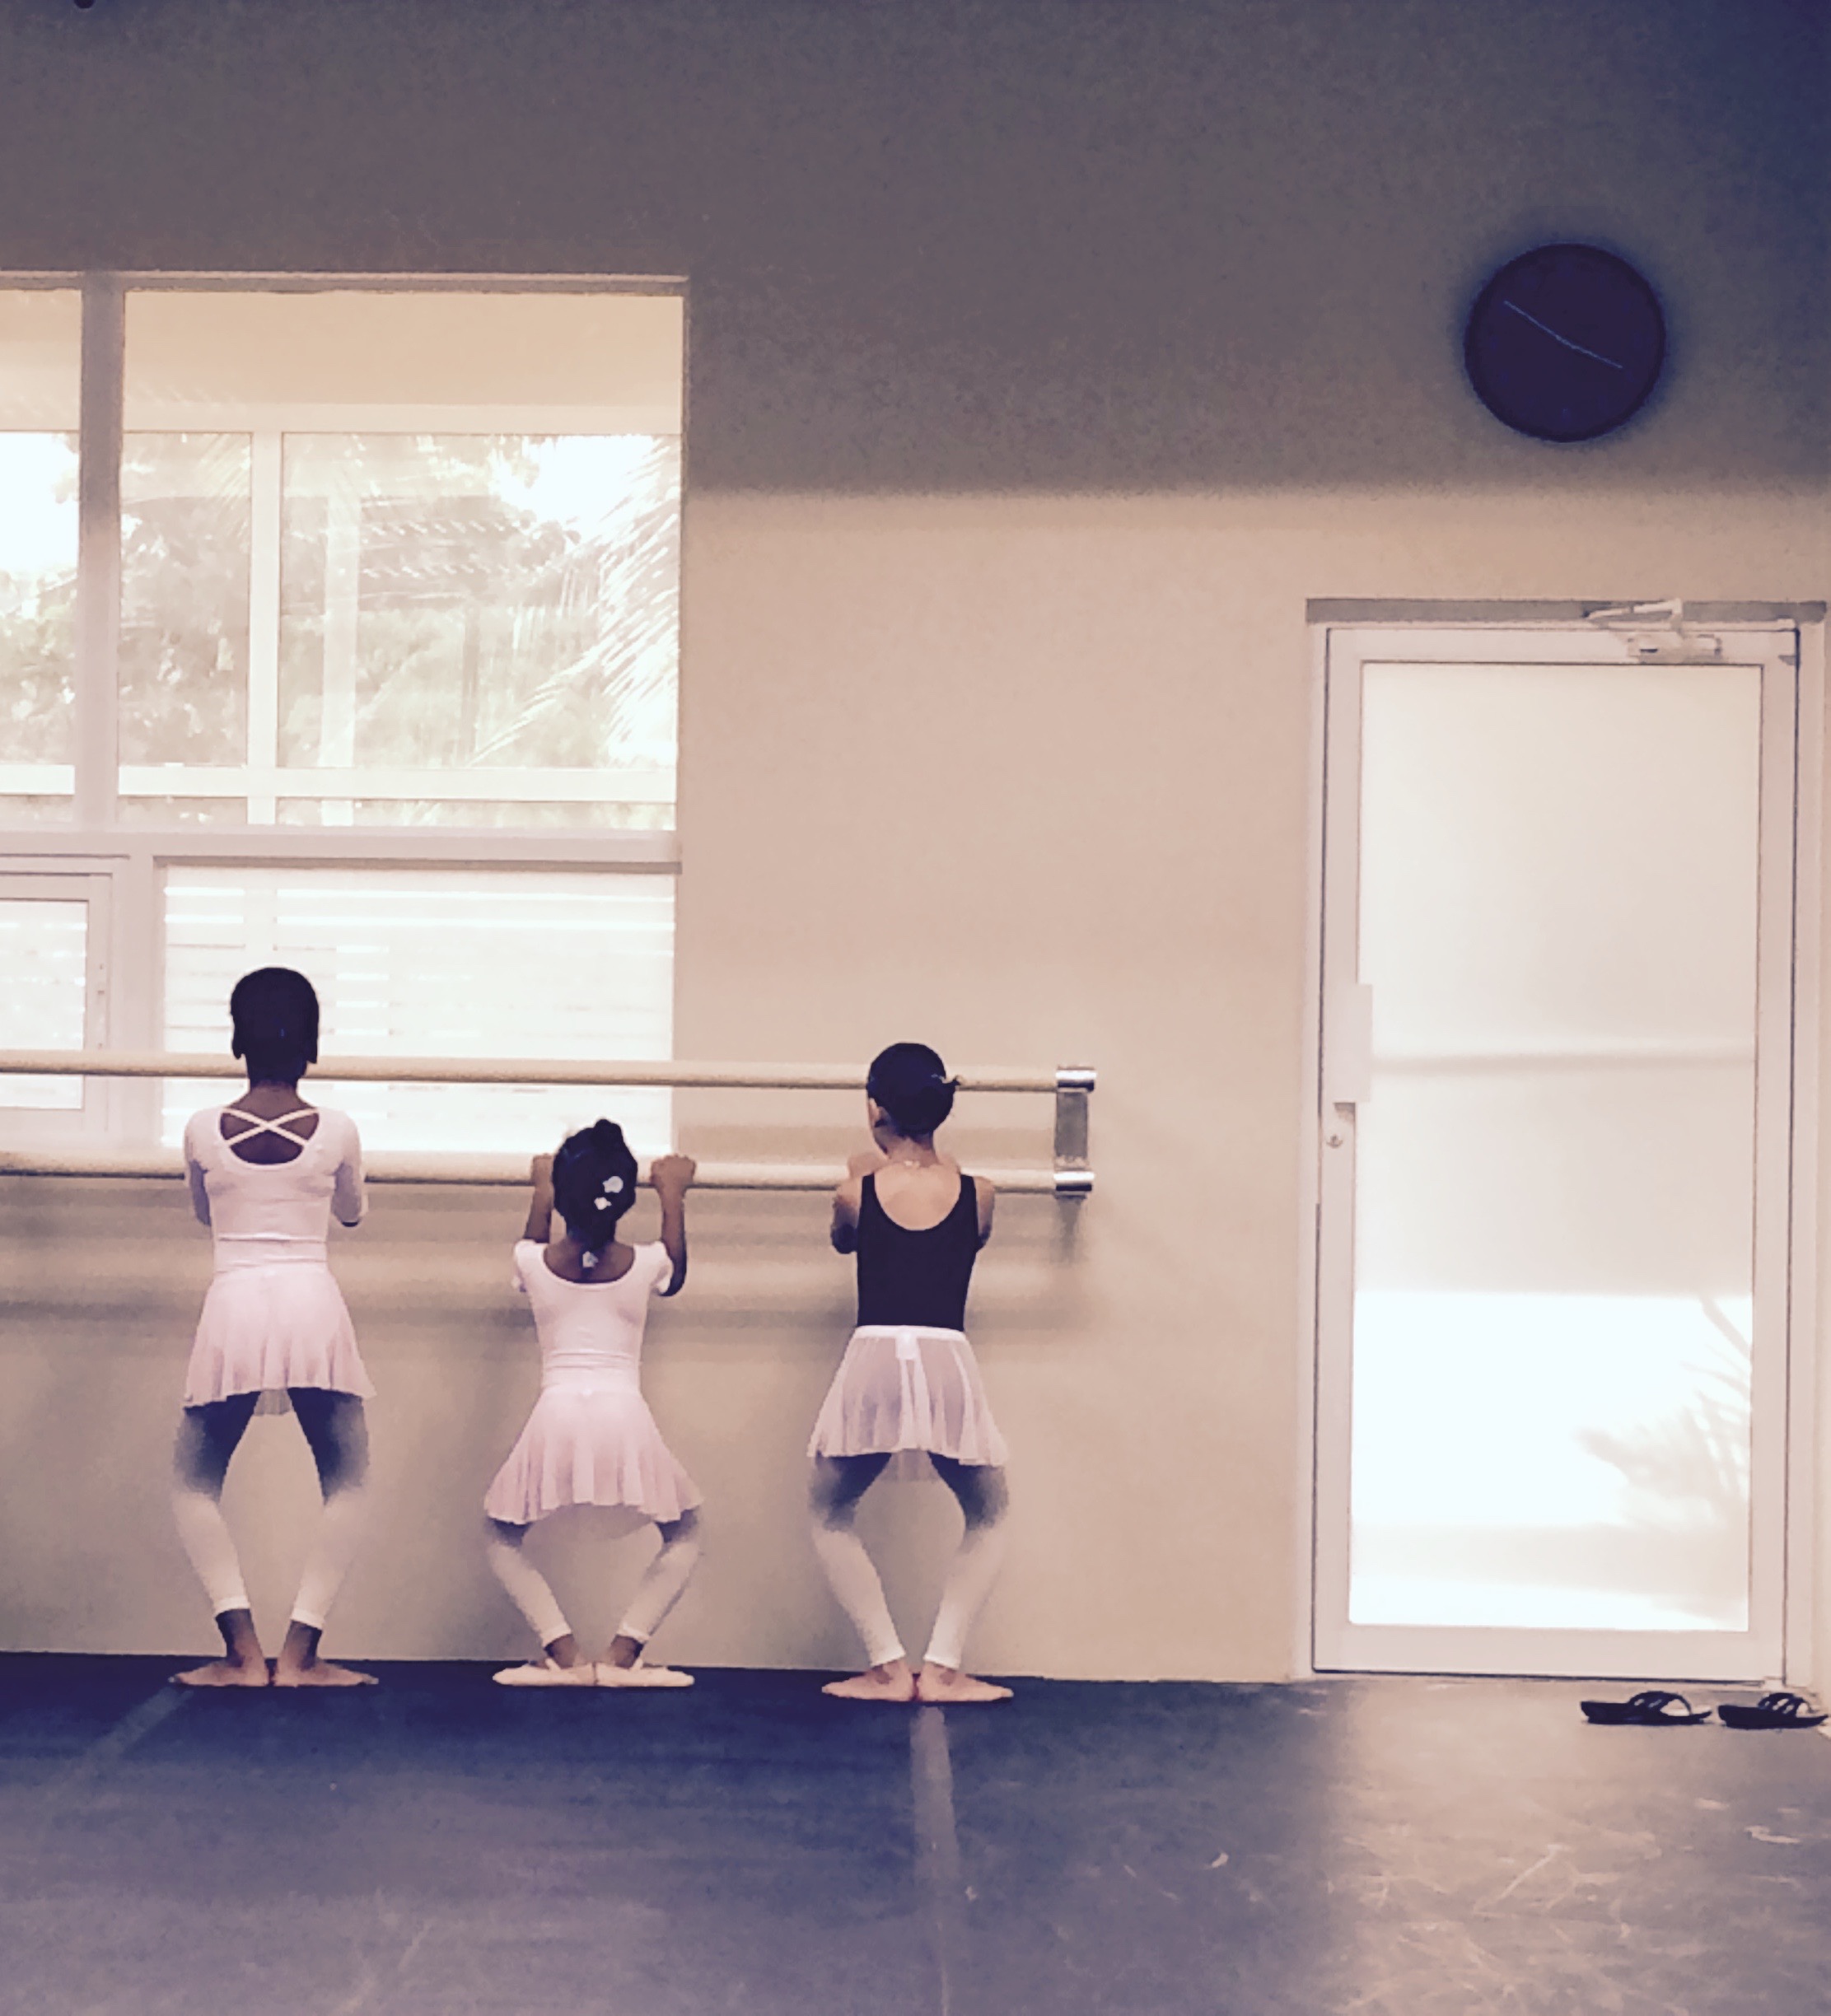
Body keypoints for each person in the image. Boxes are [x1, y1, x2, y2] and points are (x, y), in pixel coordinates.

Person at [170, 967, 375, 1688]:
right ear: (311, 1044)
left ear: (237, 1040)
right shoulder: (339, 1129)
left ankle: (241, 1652)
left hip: (234, 1305)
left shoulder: (200, 1129)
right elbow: (352, 1212)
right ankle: (301, 1654)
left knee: (193, 1484)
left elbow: (204, 1213)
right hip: (310, 1303)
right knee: (347, 1480)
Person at [808, 1042, 1012, 1704]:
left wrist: (860, 1171)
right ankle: (944, 1666)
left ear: (875, 1109)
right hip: (945, 1356)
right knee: (988, 1513)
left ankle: (888, 1666)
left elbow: (844, 1240)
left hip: (874, 1355)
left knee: (830, 1511)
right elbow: (968, 1239)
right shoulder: (979, 1194)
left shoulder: (853, 1193)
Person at [483, 1122, 702, 1688]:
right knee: (684, 1531)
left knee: (500, 1534)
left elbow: (527, 1251)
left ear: (563, 1196)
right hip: (620, 1411)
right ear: (624, 1197)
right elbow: (674, 1273)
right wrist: (672, 1196)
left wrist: (541, 1192)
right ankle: (623, 1655)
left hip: (557, 1410)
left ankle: (564, 1653)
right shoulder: (649, 1262)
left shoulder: (531, 1263)